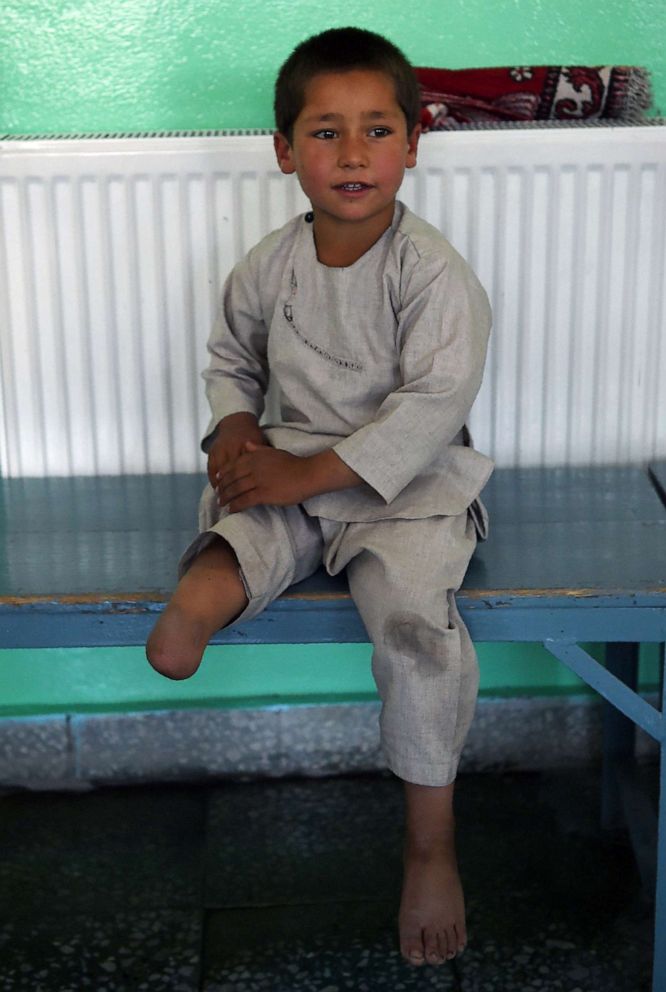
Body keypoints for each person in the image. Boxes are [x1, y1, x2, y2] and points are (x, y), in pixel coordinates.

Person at [146, 25, 493, 968]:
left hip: (406, 491)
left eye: (377, 130)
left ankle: (431, 844)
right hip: (293, 472)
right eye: (325, 132)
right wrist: (234, 429)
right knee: (242, 527)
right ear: (284, 151)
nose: (352, 154)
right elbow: (229, 362)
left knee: (414, 620)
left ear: (413, 144)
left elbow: (431, 409)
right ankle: (199, 601)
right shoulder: (269, 264)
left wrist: (310, 472)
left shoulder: (431, 274)